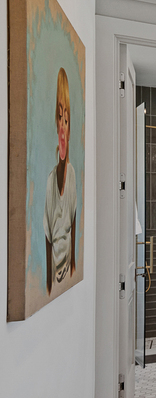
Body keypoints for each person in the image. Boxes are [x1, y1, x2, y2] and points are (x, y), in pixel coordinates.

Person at [44, 67, 77, 294]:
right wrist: (48, 284)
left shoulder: (73, 175)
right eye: (59, 116)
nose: (63, 125)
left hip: (68, 274)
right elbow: (47, 240)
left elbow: (74, 224)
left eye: (66, 118)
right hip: (55, 277)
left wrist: (73, 264)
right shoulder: (49, 183)